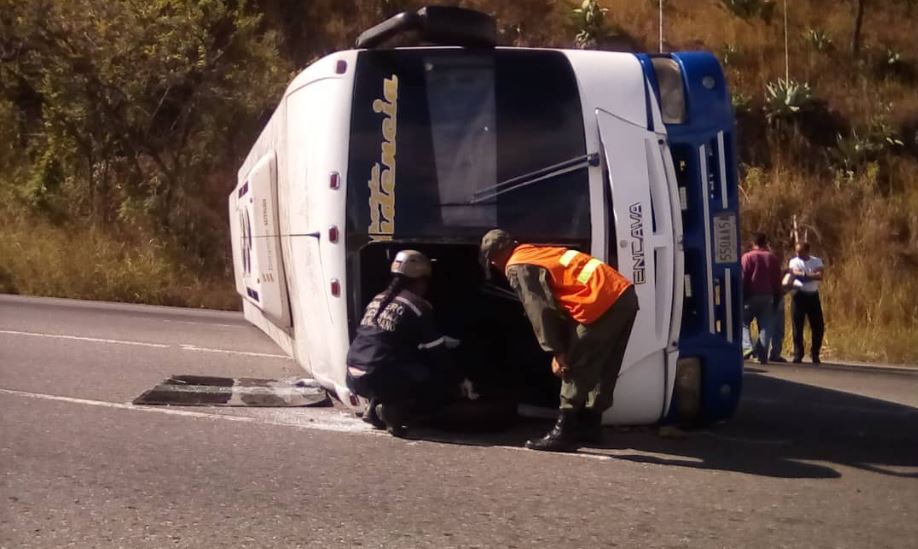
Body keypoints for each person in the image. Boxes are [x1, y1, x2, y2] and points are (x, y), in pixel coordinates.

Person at [480, 229, 639, 453]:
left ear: (494, 258)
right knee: (606, 363)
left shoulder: (517, 265)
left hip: (598, 303)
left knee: (574, 365)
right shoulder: (536, 251)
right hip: (623, 294)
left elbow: (540, 311)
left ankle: (564, 432)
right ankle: (591, 425)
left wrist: (557, 351)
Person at [345, 250, 461, 437]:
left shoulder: (378, 299)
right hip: (379, 376)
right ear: (421, 280)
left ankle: (374, 405)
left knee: (396, 360)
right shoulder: (417, 305)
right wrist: (457, 381)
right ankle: (394, 413)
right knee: (431, 375)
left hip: (353, 375)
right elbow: (437, 352)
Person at [740, 233, 782, 364]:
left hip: (751, 295)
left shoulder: (747, 257)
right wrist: (777, 296)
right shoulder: (773, 258)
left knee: (742, 322)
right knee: (765, 326)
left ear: (753, 243)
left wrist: (741, 294)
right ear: (765, 242)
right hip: (768, 295)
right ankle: (762, 354)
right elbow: (777, 280)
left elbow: (743, 277)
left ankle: (747, 347)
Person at [789, 242, 825, 364]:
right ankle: (798, 354)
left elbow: (819, 276)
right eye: (796, 252)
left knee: (818, 326)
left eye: (801, 252)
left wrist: (804, 274)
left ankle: (815, 353)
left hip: (813, 295)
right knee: (797, 326)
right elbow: (795, 274)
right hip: (799, 295)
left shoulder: (817, 261)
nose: (798, 254)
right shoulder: (794, 261)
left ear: (807, 251)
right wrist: (810, 275)